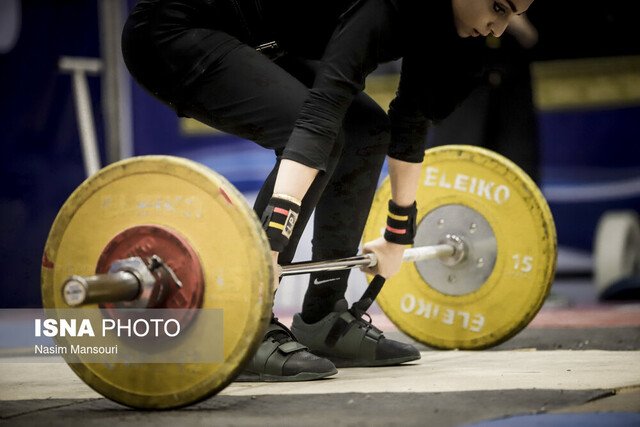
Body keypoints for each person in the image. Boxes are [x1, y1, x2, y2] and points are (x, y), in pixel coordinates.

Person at [121, 0, 535, 382]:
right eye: (497, 6)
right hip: (173, 30)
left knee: (366, 131)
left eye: (512, 14)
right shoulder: (385, 5)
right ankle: (241, 320)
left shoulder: (452, 24)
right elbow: (320, 117)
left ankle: (324, 319)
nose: (499, 26)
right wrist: (270, 245)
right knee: (319, 130)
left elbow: (409, 123)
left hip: (251, 39)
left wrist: (397, 235)